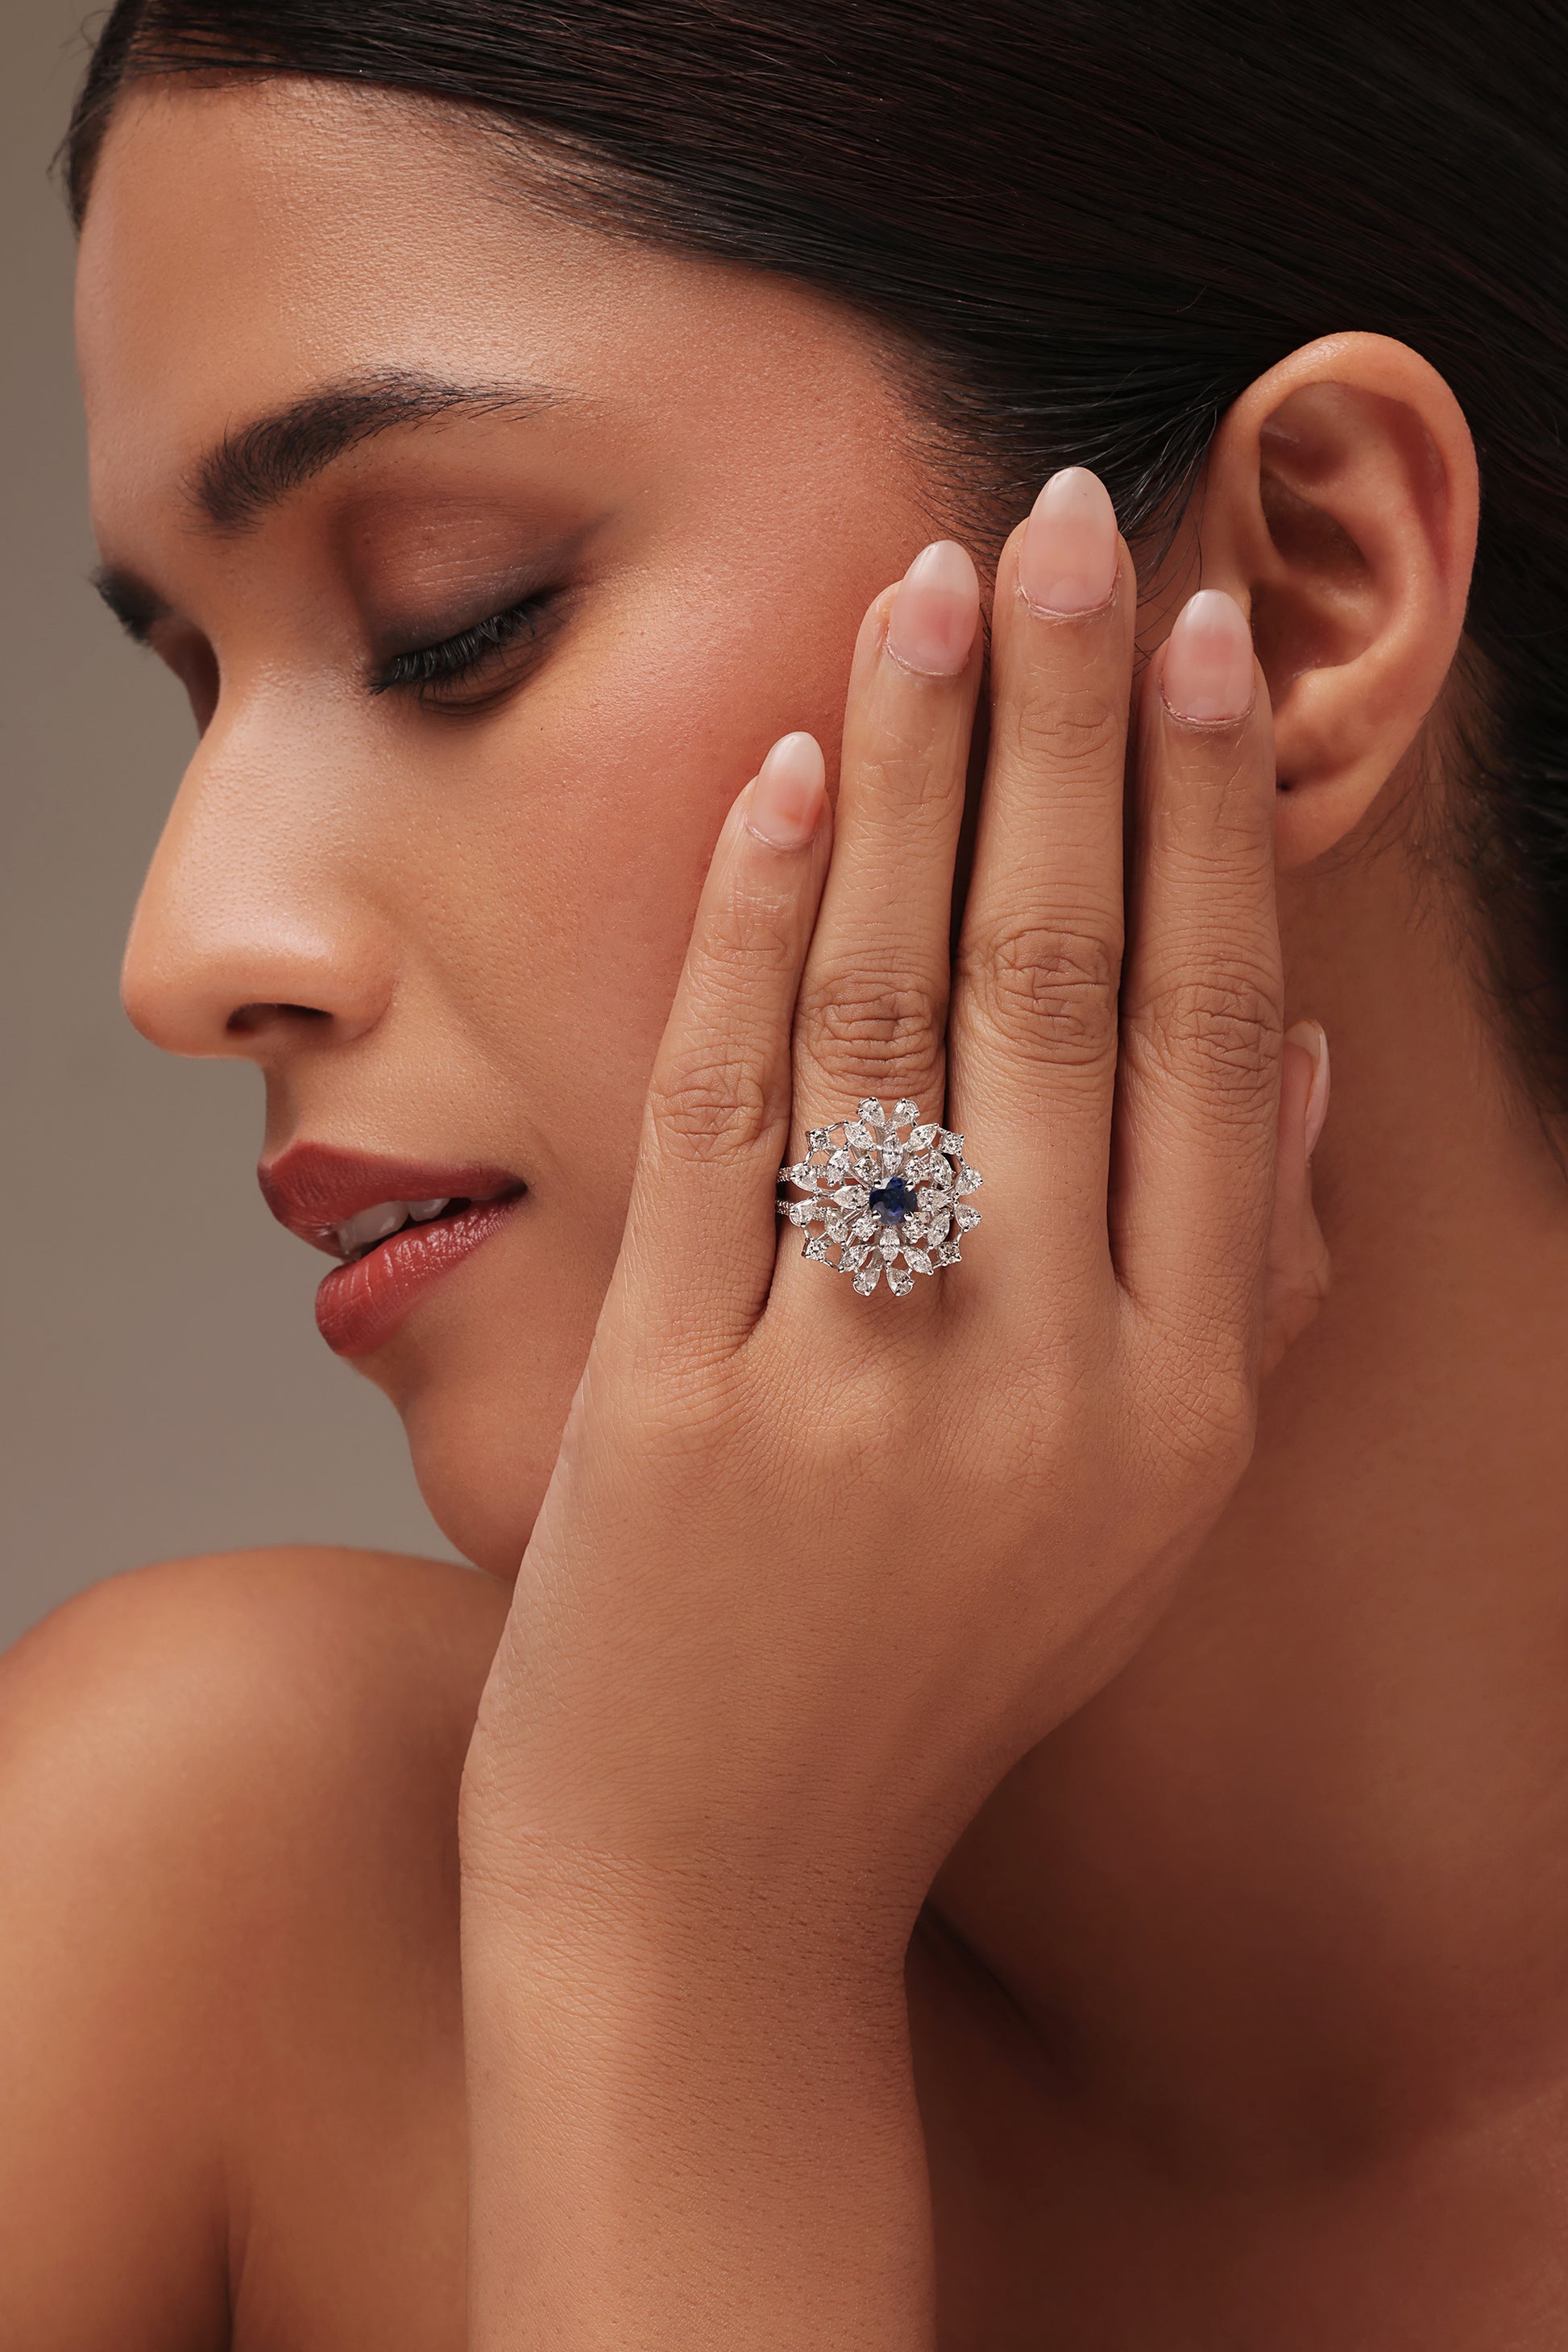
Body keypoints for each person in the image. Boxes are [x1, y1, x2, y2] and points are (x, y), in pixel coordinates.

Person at [3, 0, 1566, 2342]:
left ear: (1306, 596)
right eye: (197, 685)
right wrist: (679, 1936)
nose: (188, 950)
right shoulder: (195, 1911)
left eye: (451, 616)